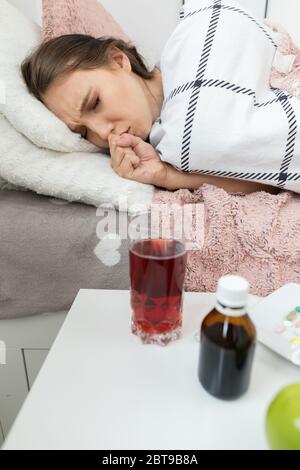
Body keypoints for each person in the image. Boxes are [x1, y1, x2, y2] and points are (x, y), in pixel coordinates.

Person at [21, 34, 279, 195]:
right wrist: (166, 177)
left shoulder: (191, 46)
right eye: (83, 132)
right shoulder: (162, 147)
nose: (101, 133)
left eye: (95, 103)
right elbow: (268, 180)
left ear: (118, 60)